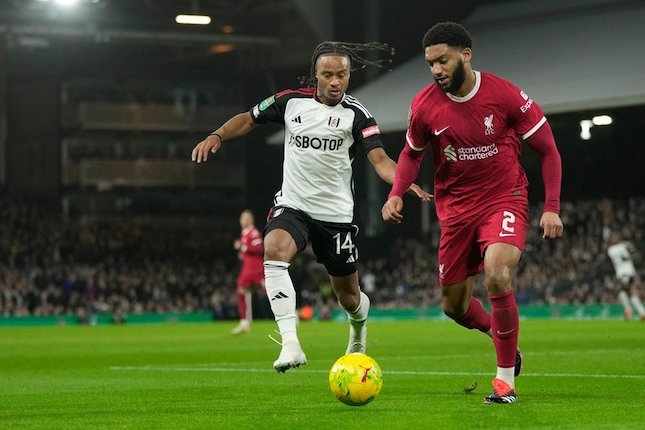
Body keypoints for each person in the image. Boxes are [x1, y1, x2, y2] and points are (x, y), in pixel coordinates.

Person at [192, 41, 432, 373]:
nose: (336, 82)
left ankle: (358, 328)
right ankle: (290, 345)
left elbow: (379, 160)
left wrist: (402, 183)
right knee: (273, 249)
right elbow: (249, 119)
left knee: (349, 299)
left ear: (349, 76)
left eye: (343, 75)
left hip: (335, 217)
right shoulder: (290, 102)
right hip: (294, 205)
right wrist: (217, 134)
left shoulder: (357, 115)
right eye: (328, 74)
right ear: (315, 75)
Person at [381, 22, 564, 404]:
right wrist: (396, 193)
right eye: (430, 64)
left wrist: (551, 208)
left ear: (466, 55)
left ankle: (505, 381)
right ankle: (505, 345)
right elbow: (411, 155)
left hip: (504, 199)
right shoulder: (425, 105)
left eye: (442, 61)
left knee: (498, 276)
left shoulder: (506, 95)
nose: (436, 70)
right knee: (454, 307)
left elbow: (548, 150)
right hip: (456, 212)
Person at [231, 210, 265, 335]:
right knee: (241, 290)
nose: (241, 221)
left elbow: (259, 248)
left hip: (256, 268)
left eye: (243, 218)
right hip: (249, 268)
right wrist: (243, 253)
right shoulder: (245, 234)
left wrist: (243, 248)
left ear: (250, 220)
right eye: (241, 218)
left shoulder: (253, 232)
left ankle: (292, 313)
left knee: (271, 291)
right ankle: (244, 322)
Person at [607, 231, 644, 320]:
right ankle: (639, 312)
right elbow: (631, 252)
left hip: (625, 273)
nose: (614, 239)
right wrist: (630, 250)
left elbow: (631, 253)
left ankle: (630, 309)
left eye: (615, 237)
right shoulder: (620, 247)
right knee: (626, 292)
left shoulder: (612, 249)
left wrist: (630, 251)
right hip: (625, 272)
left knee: (625, 291)